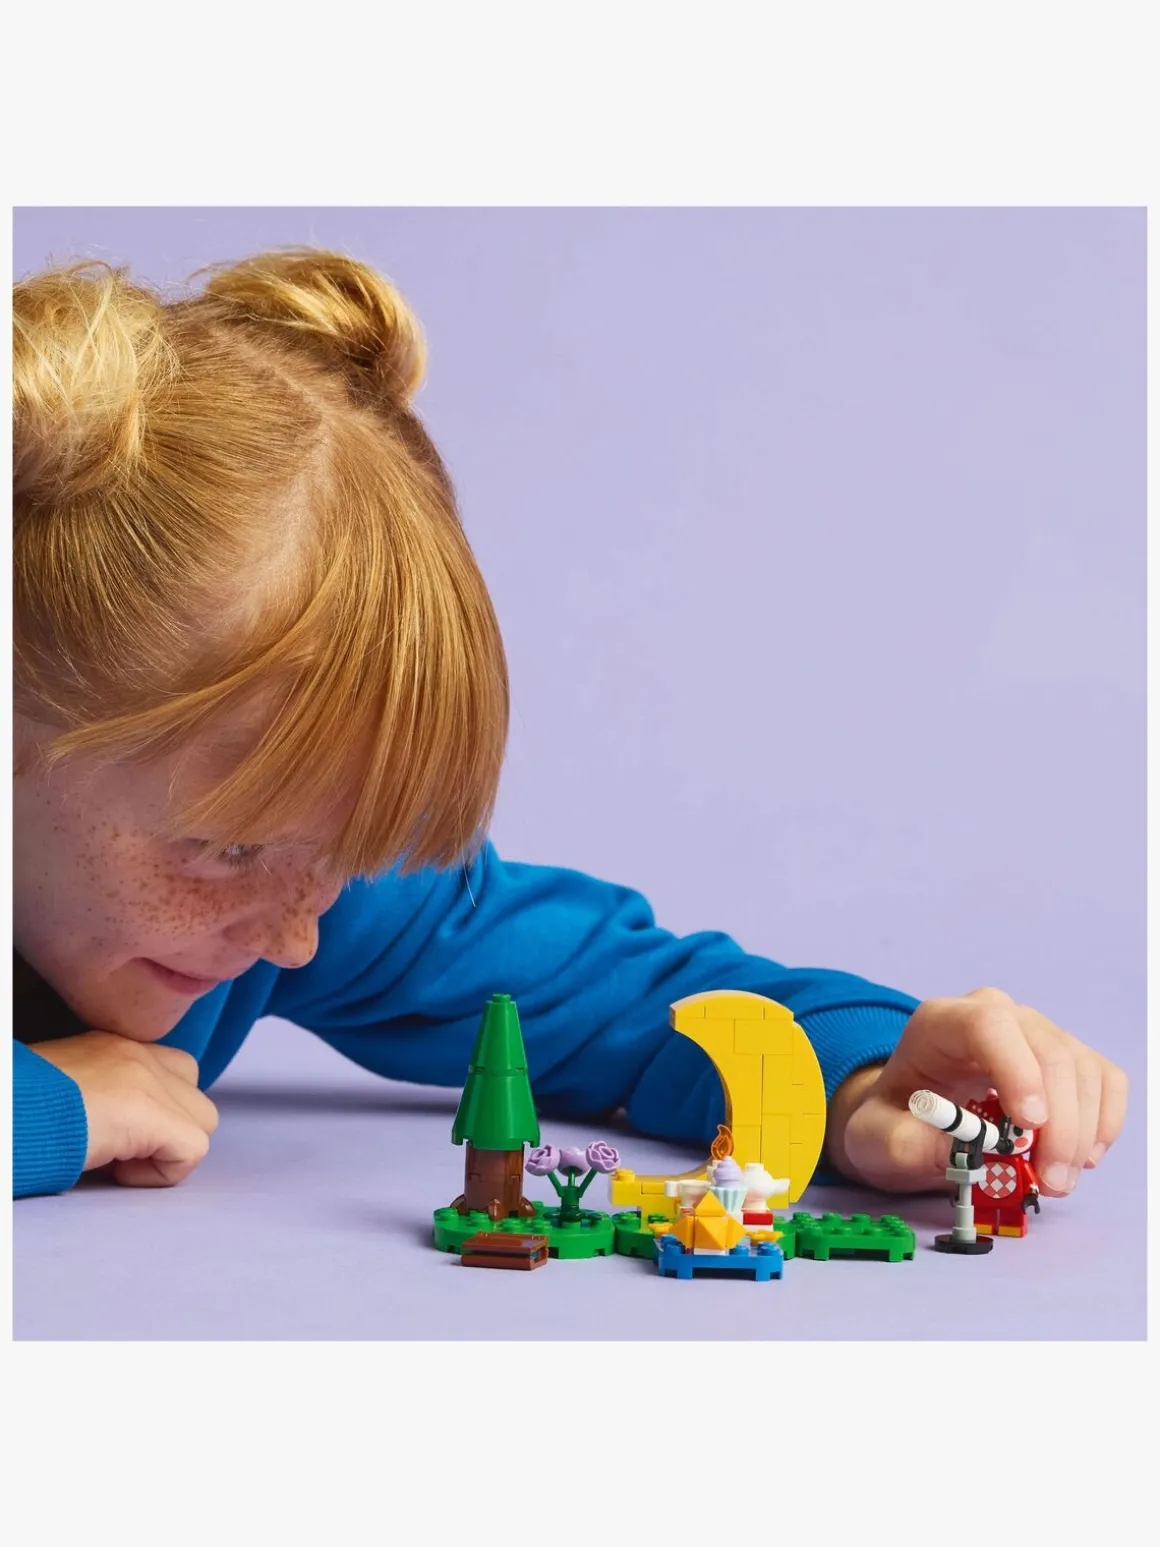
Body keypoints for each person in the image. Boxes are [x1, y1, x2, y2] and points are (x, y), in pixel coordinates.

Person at [12, 248, 1128, 1202]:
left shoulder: (303, 898)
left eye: (342, 849)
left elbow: (638, 999)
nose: (295, 936)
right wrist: (48, 1108)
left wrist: (867, 1080)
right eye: (230, 847)